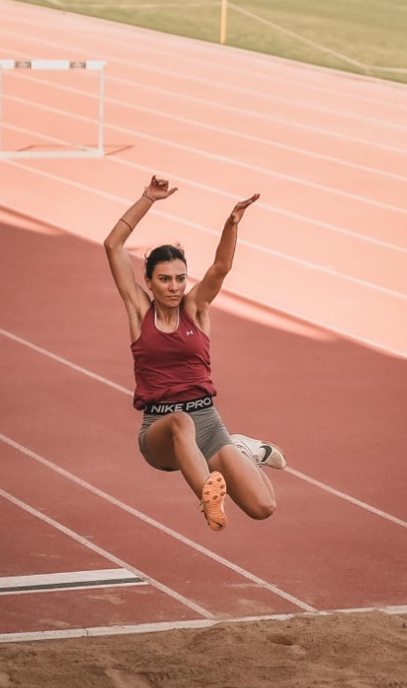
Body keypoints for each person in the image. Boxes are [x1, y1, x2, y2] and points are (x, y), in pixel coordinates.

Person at [103, 175, 285, 532]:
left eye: (180, 278)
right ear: (150, 282)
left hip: (208, 423)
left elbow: (220, 268)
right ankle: (208, 497)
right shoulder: (139, 312)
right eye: (165, 279)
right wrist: (147, 198)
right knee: (180, 421)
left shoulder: (197, 310)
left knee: (264, 507)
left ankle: (240, 450)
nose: (174, 287)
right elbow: (112, 245)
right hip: (162, 429)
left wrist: (231, 225)